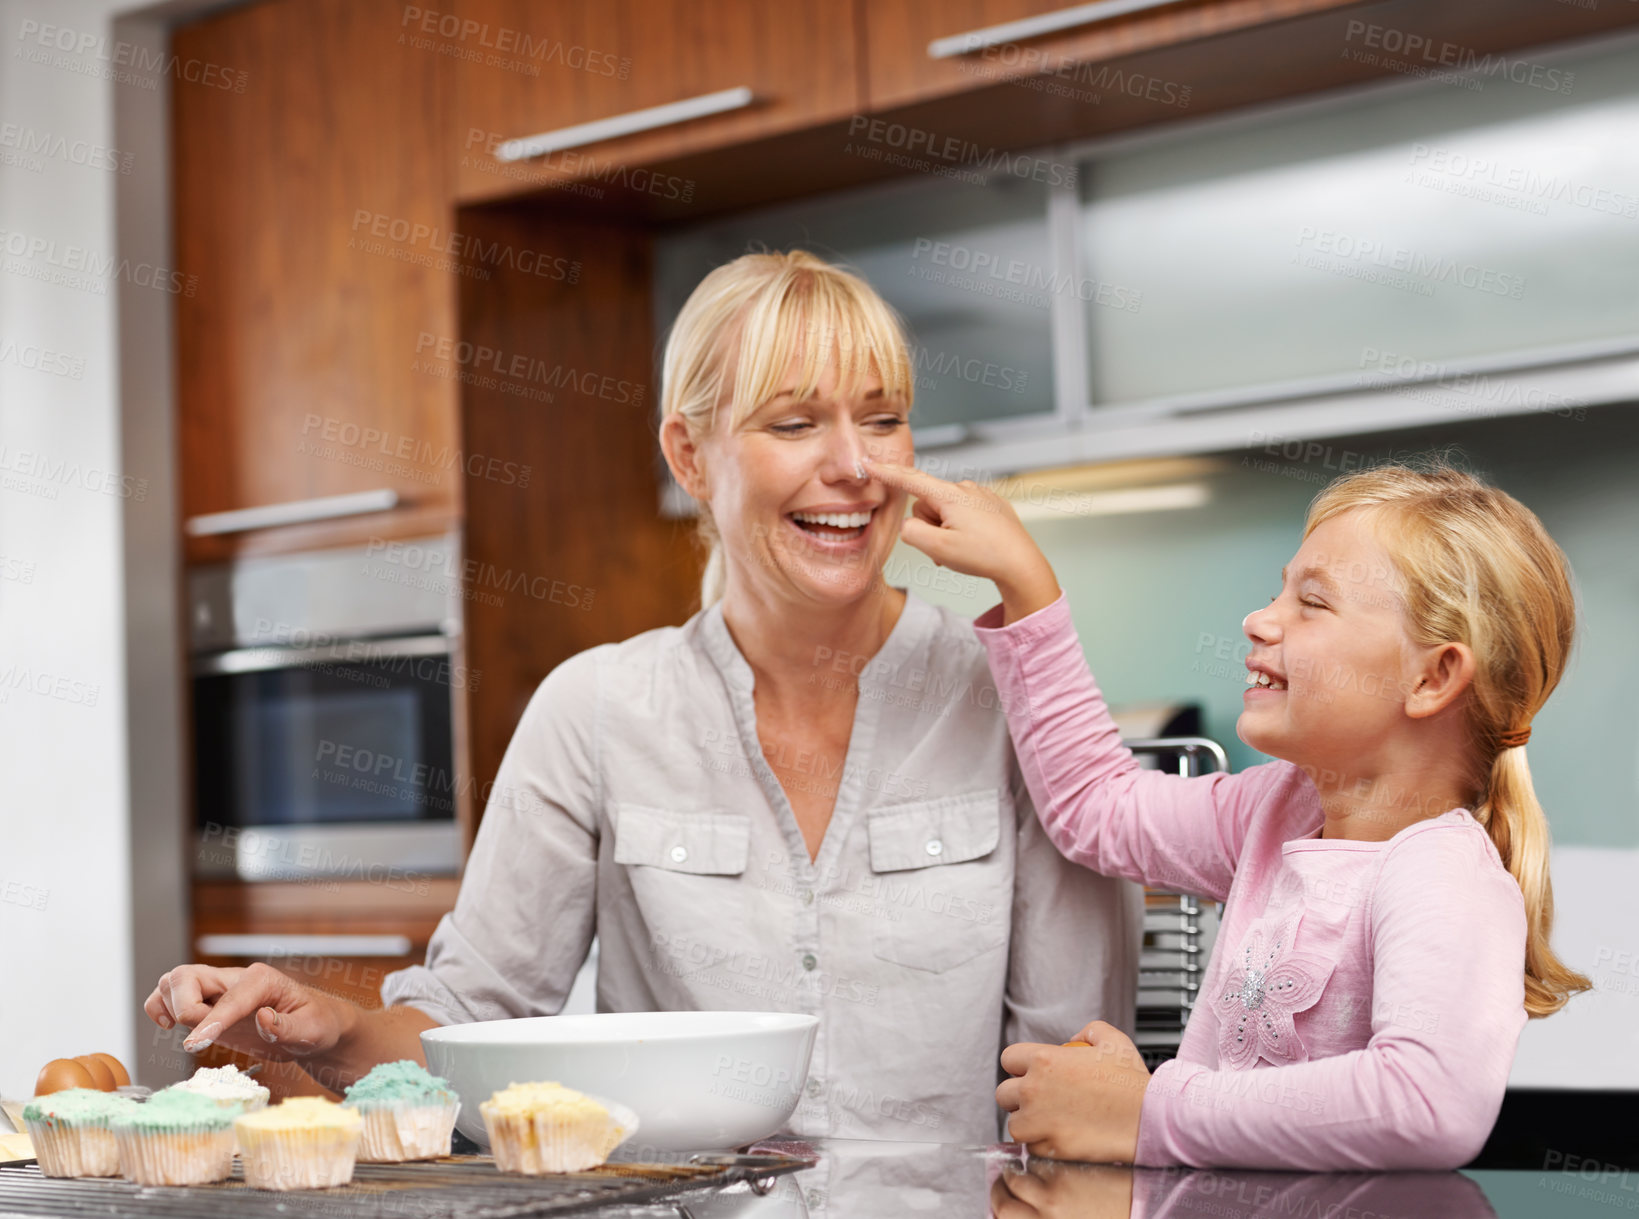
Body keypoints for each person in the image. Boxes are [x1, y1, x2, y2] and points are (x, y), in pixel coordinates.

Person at [145, 250, 1141, 1142]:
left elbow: (1078, 1078)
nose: (853, 466)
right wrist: (334, 1028)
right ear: (688, 455)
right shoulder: (595, 711)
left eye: (881, 420)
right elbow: (470, 1025)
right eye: (794, 421)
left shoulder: (1017, 702)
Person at [865, 457, 1590, 1167]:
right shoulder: (1274, 812)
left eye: (1312, 601)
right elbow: (1097, 805)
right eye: (1280, 592)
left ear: (1432, 676)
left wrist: (1147, 1111)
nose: (1258, 619)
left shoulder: (1439, 874)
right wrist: (1025, 583)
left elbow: (1425, 1104)